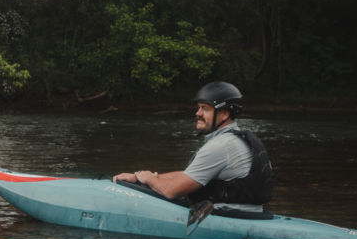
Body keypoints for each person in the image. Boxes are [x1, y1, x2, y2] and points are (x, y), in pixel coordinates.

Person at [112, 82, 274, 211]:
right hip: (249, 213)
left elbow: (171, 191)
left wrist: (148, 178)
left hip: (227, 215)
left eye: (205, 109)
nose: (198, 113)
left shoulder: (219, 146)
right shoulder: (236, 139)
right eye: (198, 107)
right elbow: (190, 175)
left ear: (225, 114)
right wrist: (140, 177)